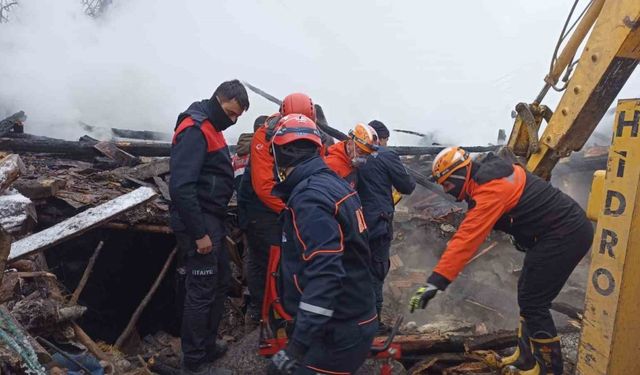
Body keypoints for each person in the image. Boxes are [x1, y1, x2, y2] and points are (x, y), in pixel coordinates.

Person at [408, 147, 593, 375]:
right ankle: (525, 357)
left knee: (534, 303)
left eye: (447, 184)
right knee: (526, 292)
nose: (448, 191)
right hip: (553, 234)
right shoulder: (491, 173)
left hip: (566, 235)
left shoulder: (490, 190)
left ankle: (548, 369)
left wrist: (436, 282)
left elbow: (465, 240)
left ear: (459, 175)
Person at [268, 114, 377, 375]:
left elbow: (326, 274)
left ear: (280, 153)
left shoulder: (309, 198)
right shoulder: (334, 185)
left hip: (338, 330)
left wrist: (297, 346)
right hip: (353, 318)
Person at [169, 79, 249, 375]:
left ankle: (208, 344)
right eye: (229, 113)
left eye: (237, 118)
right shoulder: (194, 129)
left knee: (219, 282)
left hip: (212, 219)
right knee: (201, 289)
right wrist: (199, 233)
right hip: (198, 222)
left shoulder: (211, 128)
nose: (231, 121)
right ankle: (194, 362)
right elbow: (182, 187)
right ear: (218, 98)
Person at [236, 93, 316, 331]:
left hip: (286, 203)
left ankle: (284, 307)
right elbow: (263, 185)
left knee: (287, 257)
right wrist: (294, 208)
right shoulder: (266, 133)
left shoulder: (309, 131)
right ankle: (263, 312)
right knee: (264, 259)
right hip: (260, 206)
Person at [357, 120, 415, 333]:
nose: (387, 145)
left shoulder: (357, 156)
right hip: (378, 223)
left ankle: (359, 319)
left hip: (355, 223)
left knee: (359, 270)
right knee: (377, 270)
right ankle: (374, 323)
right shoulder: (386, 155)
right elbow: (407, 186)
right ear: (380, 139)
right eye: (386, 140)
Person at [324, 123, 378, 187]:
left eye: (366, 154)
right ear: (350, 143)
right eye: (360, 152)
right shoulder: (332, 165)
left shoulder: (351, 163)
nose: (363, 158)